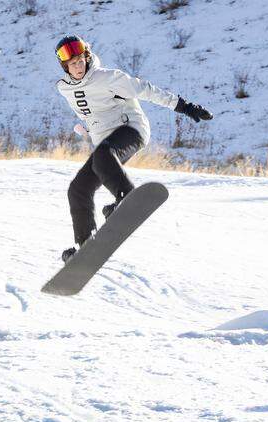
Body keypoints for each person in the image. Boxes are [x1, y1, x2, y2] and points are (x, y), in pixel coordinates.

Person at [54, 36, 212, 261]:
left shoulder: (107, 78)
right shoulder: (65, 89)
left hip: (131, 129)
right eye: (73, 64)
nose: (78, 67)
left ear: (87, 59)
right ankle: (86, 246)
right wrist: (86, 129)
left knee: (102, 155)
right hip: (105, 145)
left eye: (81, 61)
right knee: (77, 189)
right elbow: (90, 110)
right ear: (65, 67)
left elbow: (146, 90)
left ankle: (126, 198)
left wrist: (185, 107)